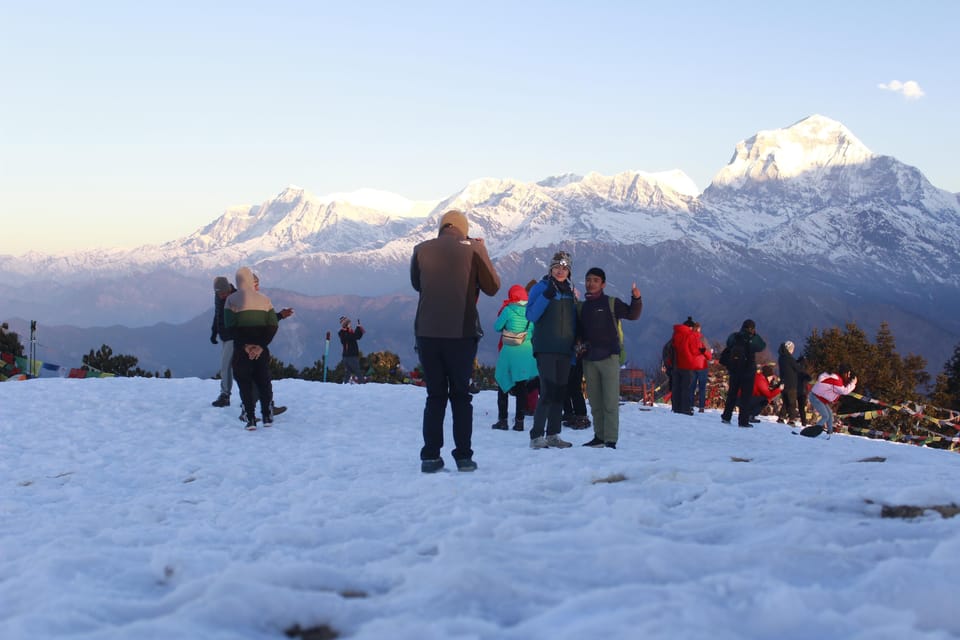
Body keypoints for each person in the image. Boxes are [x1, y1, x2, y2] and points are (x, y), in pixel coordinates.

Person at [411, 209, 500, 473]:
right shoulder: (473, 248)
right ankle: (463, 456)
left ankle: (430, 456)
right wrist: (482, 252)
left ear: (441, 227)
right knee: (461, 397)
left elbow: (418, 284)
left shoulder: (420, 249)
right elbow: (493, 286)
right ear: (464, 228)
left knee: (435, 396)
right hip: (461, 333)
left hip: (427, 333)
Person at [576, 267, 642, 449]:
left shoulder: (611, 303)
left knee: (610, 401)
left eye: (595, 280)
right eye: (588, 279)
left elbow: (632, 314)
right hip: (589, 359)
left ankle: (610, 439)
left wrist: (636, 298)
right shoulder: (582, 306)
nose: (591, 283)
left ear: (603, 284)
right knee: (596, 402)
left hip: (609, 358)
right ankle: (599, 436)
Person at [525, 251, 578, 450]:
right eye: (557, 267)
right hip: (546, 347)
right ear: (550, 268)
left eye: (564, 268)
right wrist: (545, 297)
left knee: (560, 392)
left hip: (565, 349)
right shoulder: (541, 288)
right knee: (547, 392)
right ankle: (536, 436)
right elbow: (531, 315)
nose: (560, 271)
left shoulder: (569, 291)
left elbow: (572, 320)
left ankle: (553, 434)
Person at [224, 266, 279, 430]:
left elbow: (230, 326)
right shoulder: (265, 300)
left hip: (242, 350)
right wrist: (261, 346)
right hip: (261, 349)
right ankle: (267, 416)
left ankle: (250, 418)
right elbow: (273, 325)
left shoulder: (231, 300)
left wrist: (246, 346)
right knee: (264, 381)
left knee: (245, 383)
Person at [239, 271, 293, 422]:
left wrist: (280, 315)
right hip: (251, 348)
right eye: (256, 284)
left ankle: (267, 406)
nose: (258, 287)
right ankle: (249, 410)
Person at [492, 284, 539, 431]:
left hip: (509, 352)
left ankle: (503, 420)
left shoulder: (508, 310)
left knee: (503, 383)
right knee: (522, 387)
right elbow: (534, 330)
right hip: (526, 352)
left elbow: (497, 327)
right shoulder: (531, 311)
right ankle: (519, 422)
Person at [720, 319, 767, 427]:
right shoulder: (752, 339)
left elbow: (728, 343)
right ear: (752, 328)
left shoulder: (734, 336)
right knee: (746, 397)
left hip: (734, 370)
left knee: (732, 394)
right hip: (748, 371)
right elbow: (762, 346)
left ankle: (726, 416)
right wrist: (755, 335)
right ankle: (743, 421)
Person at [807, 364, 858, 439]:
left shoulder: (837, 378)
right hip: (816, 397)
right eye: (849, 374)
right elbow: (844, 391)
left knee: (830, 414)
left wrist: (849, 383)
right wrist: (853, 384)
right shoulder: (836, 380)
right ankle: (813, 432)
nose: (849, 376)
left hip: (819, 398)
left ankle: (830, 433)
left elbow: (842, 387)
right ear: (845, 373)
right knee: (825, 416)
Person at [210, 276, 236, 407]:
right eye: (219, 294)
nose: (222, 296)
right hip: (224, 336)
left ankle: (225, 395)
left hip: (233, 336)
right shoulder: (218, 296)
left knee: (225, 366)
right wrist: (214, 332)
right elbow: (217, 314)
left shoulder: (236, 296)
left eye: (224, 293)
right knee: (230, 367)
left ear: (229, 289)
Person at [671, 317, 702, 415]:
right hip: (687, 364)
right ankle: (685, 408)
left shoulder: (676, 334)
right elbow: (694, 350)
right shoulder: (690, 335)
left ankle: (676, 407)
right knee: (687, 388)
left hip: (676, 364)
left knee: (676, 387)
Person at [776, 341, 803, 425]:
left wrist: (796, 361)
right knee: (792, 402)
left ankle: (781, 417)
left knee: (785, 401)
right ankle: (791, 419)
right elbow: (797, 368)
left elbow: (790, 366)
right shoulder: (789, 358)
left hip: (783, 383)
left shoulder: (781, 357)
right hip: (791, 383)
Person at [689, 322, 712, 413]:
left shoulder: (688, 338)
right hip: (702, 365)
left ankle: (690, 405)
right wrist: (704, 352)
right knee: (702, 387)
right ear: (699, 328)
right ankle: (701, 407)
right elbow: (709, 355)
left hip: (691, 366)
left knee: (692, 387)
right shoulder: (702, 338)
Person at [338, 316, 365, 383]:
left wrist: (359, 329)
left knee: (348, 372)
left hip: (346, 356)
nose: (350, 324)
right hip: (350, 356)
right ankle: (363, 385)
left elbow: (357, 337)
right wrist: (358, 328)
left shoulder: (346, 332)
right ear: (346, 324)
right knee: (357, 371)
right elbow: (354, 336)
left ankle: (345, 384)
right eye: (349, 323)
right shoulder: (344, 333)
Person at [796, 355, 812, 426]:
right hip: (803, 391)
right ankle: (804, 422)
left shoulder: (796, 368)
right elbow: (809, 378)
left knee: (791, 405)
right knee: (801, 408)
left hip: (796, 389)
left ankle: (790, 418)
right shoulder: (804, 370)